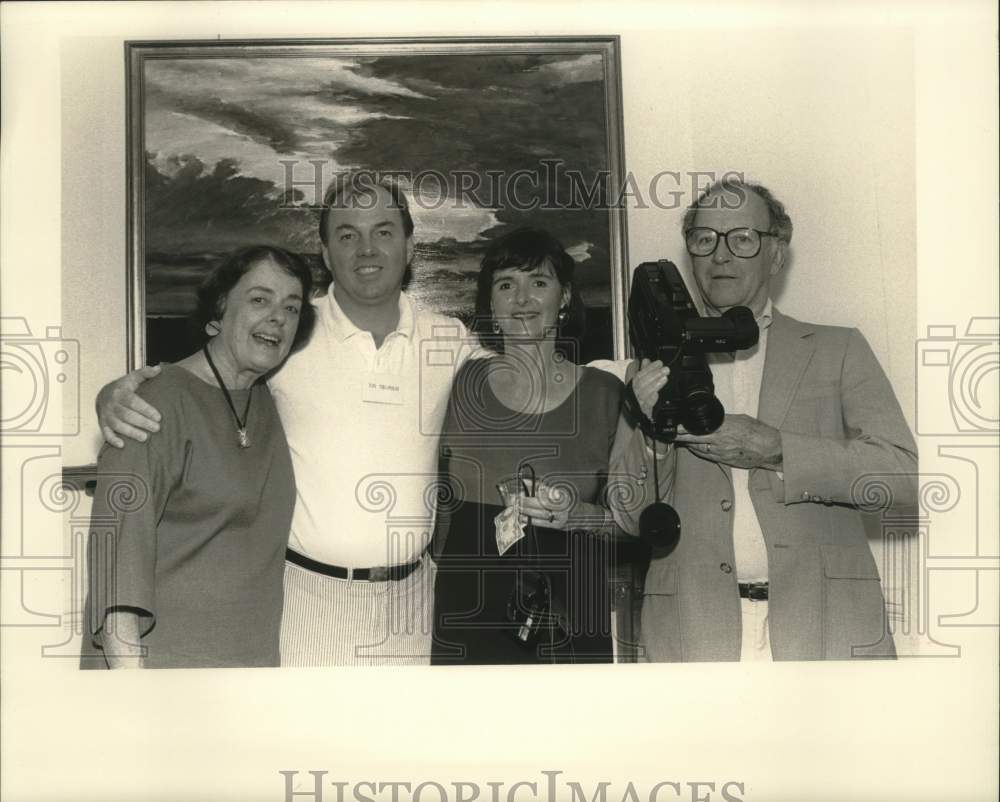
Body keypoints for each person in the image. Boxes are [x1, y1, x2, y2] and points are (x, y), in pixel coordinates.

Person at [615, 178, 918, 661]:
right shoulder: (649, 371)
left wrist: (777, 449)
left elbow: (902, 479)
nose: (721, 254)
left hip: (826, 629)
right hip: (694, 637)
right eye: (704, 238)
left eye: (742, 237)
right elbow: (628, 515)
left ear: (776, 255)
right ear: (690, 254)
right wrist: (652, 441)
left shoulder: (837, 349)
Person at [82, 245, 316, 668]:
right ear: (218, 313)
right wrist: (130, 705)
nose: (278, 317)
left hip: (247, 667)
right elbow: (115, 567)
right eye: (259, 299)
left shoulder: (266, 398)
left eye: (292, 307)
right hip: (160, 673)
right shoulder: (151, 404)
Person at [431, 228, 624, 664]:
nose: (522, 299)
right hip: (469, 601)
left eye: (539, 282)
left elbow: (633, 522)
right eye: (506, 285)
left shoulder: (605, 393)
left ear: (565, 299)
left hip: (573, 602)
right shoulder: (460, 384)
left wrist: (581, 516)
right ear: (492, 308)